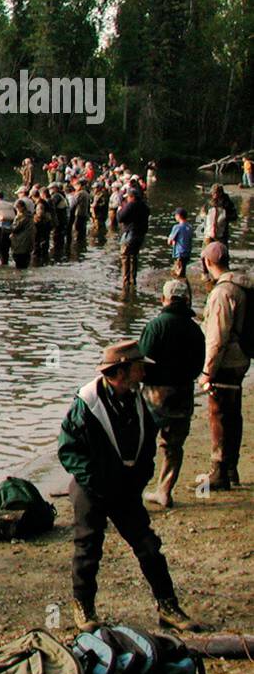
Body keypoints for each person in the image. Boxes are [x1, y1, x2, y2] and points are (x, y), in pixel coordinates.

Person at [56, 341, 201, 632]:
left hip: (124, 488)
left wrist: (139, 479)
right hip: (91, 487)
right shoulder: (87, 403)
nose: (143, 372)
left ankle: (167, 606)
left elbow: (147, 445)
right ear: (121, 371)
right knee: (88, 548)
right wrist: (94, 481)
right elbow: (68, 449)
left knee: (148, 546)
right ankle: (84, 607)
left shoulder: (136, 399)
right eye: (139, 367)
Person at [139, 282, 206, 508]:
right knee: (173, 446)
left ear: (164, 299)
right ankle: (164, 491)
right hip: (183, 393)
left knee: (143, 444)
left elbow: (143, 363)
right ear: (186, 300)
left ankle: (135, 489)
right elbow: (198, 366)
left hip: (155, 395)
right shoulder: (195, 329)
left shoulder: (155, 326)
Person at [198, 241, 252, 489]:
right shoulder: (241, 286)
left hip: (226, 361)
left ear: (208, 262)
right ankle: (231, 469)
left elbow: (217, 337)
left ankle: (219, 471)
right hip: (242, 357)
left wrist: (207, 372)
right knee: (233, 412)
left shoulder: (222, 293)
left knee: (218, 413)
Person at [117, 186, 150, 291]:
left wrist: (120, 209)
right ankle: (133, 280)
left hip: (130, 233)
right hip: (140, 235)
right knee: (134, 257)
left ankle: (125, 281)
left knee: (125, 256)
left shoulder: (131, 205)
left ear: (132, 197)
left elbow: (120, 218)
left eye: (128, 197)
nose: (127, 199)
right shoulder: (144, 206)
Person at [167, 208, 193, 278]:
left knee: (178, 274)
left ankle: (182, 284)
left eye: (175, 215)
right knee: (183, 271)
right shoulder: (190, 227)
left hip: (179, 253)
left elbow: (169, 242)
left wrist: (172, 241)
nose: (175, 216)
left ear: (179, 216)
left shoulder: (177, 227)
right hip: (187, 253)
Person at [0, 191, 16, 265]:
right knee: (7, 248)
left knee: (2, 249)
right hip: (11, 229)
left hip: (1, 229)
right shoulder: (10, 205)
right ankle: (6, 262)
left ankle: (3, 264)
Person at [10, 200, 35, 269]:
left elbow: (15, 228)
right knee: (25, 263)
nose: (16, 209)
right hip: (27, 244)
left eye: (17, 207)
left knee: (19, 263)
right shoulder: (29, 216)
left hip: (20, 243)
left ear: (22, 207)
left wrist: (5, 228)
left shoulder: (22, 217)